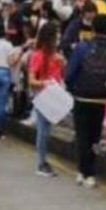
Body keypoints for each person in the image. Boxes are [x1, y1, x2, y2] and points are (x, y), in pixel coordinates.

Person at [66, 14, 106, 188]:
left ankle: (83, 172)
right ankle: (91, 173)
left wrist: (73, 88)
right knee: (95, 136)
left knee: (82, 135)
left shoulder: (82, 47)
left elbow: (70, 73)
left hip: (82, 96)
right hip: (101, 98)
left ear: (93, 28)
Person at [27, 22, 66, 178]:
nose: (58, 39)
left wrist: (62, 63)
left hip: (55, 94)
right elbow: (31, 80)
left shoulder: (57, 56)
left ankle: (42, 161)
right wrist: (44, 82)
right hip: (43, 95)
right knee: (44, 130)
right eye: (56, 36)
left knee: (46, 129)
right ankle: (41, 162)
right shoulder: (38, 56)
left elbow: (62, 75)